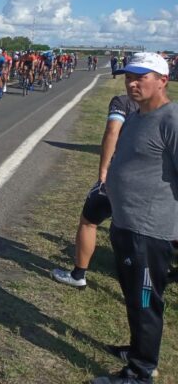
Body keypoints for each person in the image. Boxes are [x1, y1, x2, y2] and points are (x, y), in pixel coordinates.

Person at [91, 53, 177, 384]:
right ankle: (137, 349)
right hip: (127, 224)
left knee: (145, 301)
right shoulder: (137, 116)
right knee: (133, 296)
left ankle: (141, 373)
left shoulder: (171, 119)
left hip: (149, 230)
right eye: (129, 77)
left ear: (162, 81)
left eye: (141, 77)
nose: (132, 83)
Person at [51, 93, 138, 288]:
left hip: (119, 176)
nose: (131, 82)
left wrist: (103, 171)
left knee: (89, 222)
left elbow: (112, 130)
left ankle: (78, 274)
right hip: (150, 183)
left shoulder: (122, 101)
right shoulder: (168, 111)